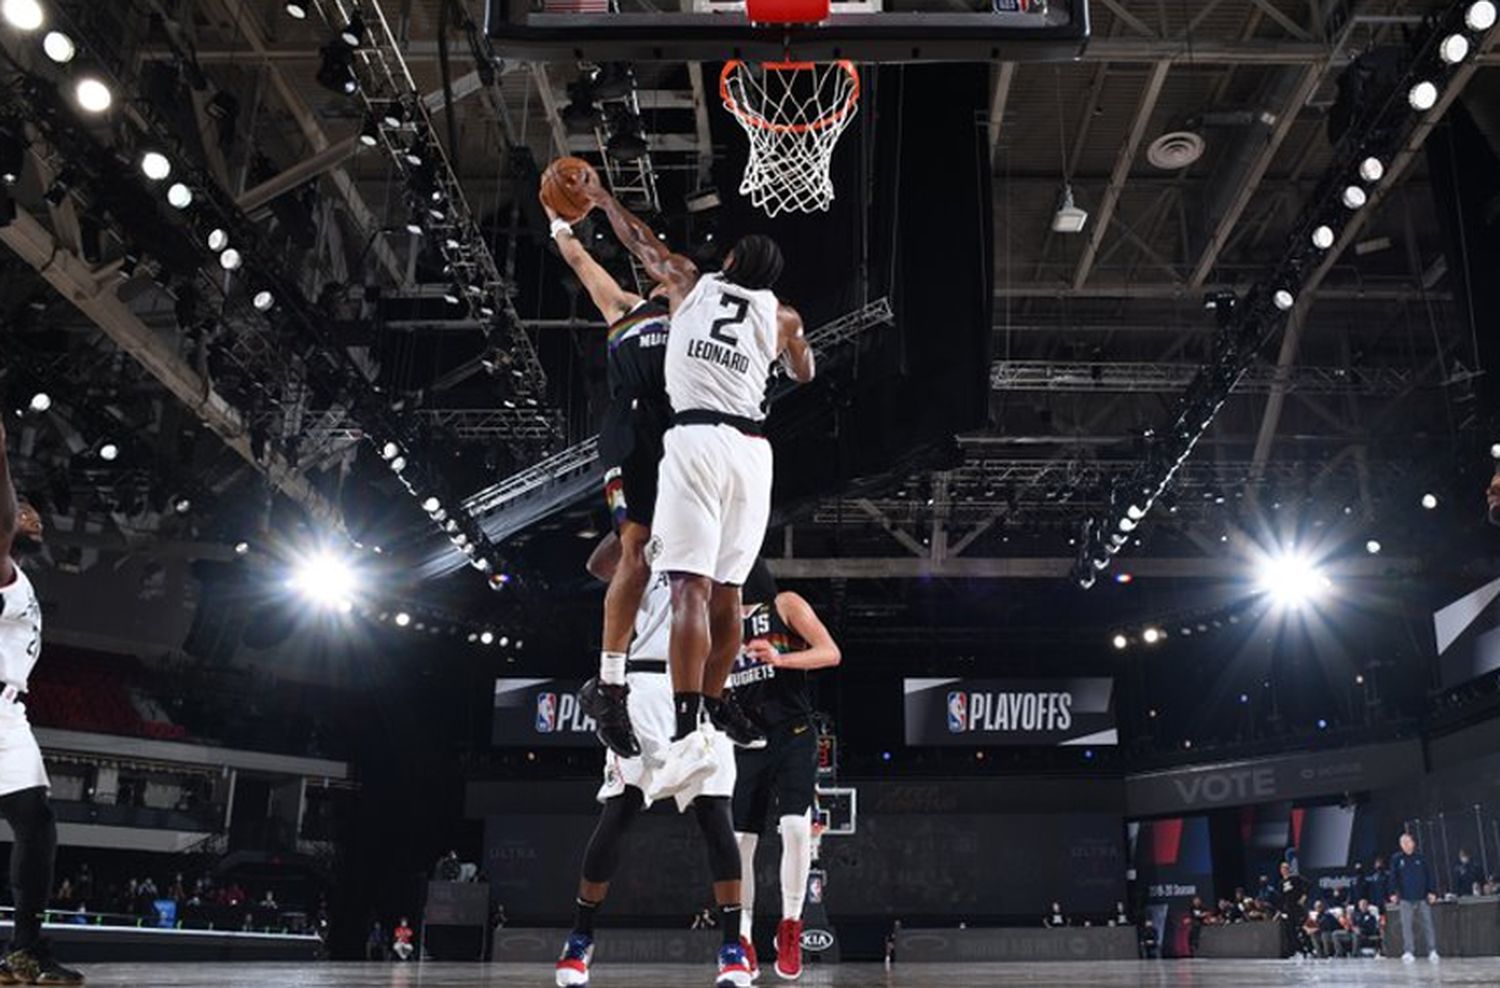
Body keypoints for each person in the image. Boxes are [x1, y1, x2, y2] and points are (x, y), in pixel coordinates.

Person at [583, 182, 816, 801]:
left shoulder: (691, 283)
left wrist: (604, 200)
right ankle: (718, 708)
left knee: (689, 585)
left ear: (732, 263)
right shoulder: (782, 315)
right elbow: (805, 370)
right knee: (731, 592)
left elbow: (642, 246)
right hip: (754, 450)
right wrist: (785, 351)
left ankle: (689, 733)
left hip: (697, 440)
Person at [554, 535, 748, 988]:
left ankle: (732, 946)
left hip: (704, 690)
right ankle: (580, 939)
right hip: (644, 684)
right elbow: (599, 564)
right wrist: (637, 517)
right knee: (619, 811)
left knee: (716, 818)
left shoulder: (723, 546)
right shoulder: (653, 543)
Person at [544, 195, 674, 759]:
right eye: (668, 275)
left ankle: (708, 688)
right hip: (631, 426)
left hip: (681, 436)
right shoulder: (624, 307)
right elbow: (579, 263)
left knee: (666, 549)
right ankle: (609, 683)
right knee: (638, 543)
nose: (673, 279)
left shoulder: (701, 318)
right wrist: (559, 221)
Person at [730, 561, 841, 980]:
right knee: (740, 842)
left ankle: (791, 925)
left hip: (793, 730)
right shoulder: (714, 614)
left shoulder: (784, 603)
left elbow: (830, 653)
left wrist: (780, 658)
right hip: (743, 738)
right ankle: (741, 936)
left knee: (796, 829)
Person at [0, 434, 82, 985]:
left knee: (37, 824)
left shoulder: (19, 580)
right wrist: (1, 455)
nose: (34, 514)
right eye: (23, 505)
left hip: (8, 711)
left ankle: (25, 950)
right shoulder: (2, 568)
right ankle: (26, 946)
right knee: (36, 825)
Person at [1391, 831, 1439, 961]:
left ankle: (1432, 950)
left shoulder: (1421, 858)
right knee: (1406, 925)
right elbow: (1393, 877)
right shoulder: (1397, 859)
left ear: (1413, 843)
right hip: (1405, 897)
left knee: (1428, 923)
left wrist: (1432, 892)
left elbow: (1430, 876)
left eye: (1407, 842)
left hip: (1423, 896)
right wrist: (1392, 893)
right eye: (1402, 843)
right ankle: (1409, 951)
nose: (1405, 845)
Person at [1277, 861, 1309, 958]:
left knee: (1301, 928)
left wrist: (1303, 897)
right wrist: (1281, 910)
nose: (1284, 870)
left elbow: (1307, 884)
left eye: (1286, 868)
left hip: (1297, 908)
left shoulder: (1295, 878)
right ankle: (1296, 950)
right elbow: (1281, 897)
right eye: (1283, 869)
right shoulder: (1281, 883)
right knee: (1290, 931)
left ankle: (1308, 949)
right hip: (1288, 910)